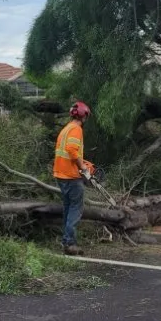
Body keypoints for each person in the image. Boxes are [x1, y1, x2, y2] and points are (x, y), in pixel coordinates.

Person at [53, 101, 93, 255]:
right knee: (76, 209)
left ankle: (66, 240)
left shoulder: (66, 129)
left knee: (68, 208)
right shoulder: (76, 129)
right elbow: (71, 149)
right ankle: (70, 243)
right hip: (71, 176)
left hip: (61, 174)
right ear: (84, 116)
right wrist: (83, 168)